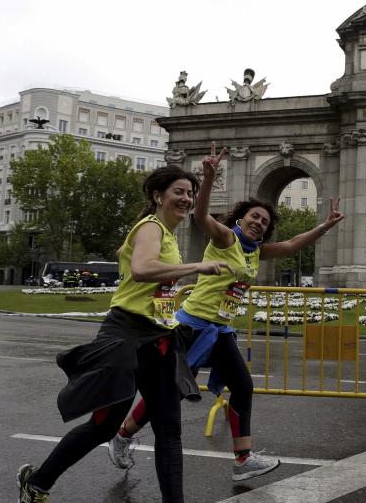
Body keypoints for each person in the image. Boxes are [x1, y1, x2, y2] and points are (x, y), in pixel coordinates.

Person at [107, 142, 345, 483]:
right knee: (168, 392)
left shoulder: (254, 252)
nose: (259, 224)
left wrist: (326, 225)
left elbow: (293, 245)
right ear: (240, 219)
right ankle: (122, 435)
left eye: (264, 221)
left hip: (219, 330)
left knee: (243, 386)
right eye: (254, 217)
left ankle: (243, 458)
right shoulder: (226, 240)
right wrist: (207, 178)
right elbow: (202, 216)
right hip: (192, 326)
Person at [17, 165, 232, 503]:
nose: (186, 199)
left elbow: (137, 265)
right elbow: (142, 269)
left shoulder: (165, 234)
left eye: (190, 193)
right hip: (125, 337)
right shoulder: (150, 227)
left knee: (169, 430)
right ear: (158, 196)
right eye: (179, 191)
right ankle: (38, 483)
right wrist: (196, 266)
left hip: (159, 338)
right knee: (103, 426)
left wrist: (172, 281)